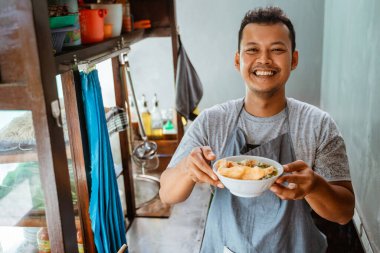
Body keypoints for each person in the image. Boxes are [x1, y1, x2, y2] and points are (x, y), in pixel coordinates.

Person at [159, 6, 355, 253]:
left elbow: (344, 213)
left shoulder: (318, 125)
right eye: (252, 49)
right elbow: (166, 194)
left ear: (293, 59)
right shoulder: (212, 121)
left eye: (277, 50)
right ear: (238, 60)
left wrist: (315, 186)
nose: (264, 60)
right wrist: (188, 168)